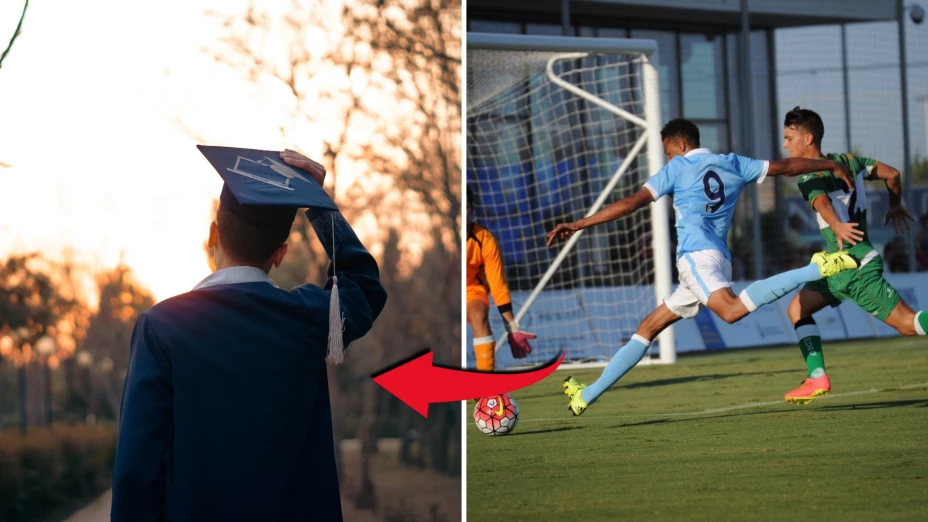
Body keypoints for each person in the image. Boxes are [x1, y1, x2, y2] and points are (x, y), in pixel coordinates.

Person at [111, 147, 387, 521]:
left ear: (213, 234)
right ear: (280, 254)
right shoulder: (307, 317)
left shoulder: (161, 327)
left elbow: (136, 472)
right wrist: (320, 206)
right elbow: (363, 285)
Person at [547, 118, 859, 416]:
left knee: (731, 312)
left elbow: (631, 202)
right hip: (718, 258)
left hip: (695, 258)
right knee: (649, 327)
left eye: (668, 152)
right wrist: (829, 164)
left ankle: (815, 268)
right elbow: (787, 167)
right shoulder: (733, 162)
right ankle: (586, 395)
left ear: (682, 145)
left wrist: (579, 224)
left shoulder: (678, 167)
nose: (668, 158)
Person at [780, 107, 928, 404]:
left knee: (908, 325)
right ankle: (817, 376)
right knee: (797, 308)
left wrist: (836, 225)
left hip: (854, 264)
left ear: (808, 138)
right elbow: (893, 174)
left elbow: (822, 203)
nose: (785, 145)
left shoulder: (809, 176)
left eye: (789, 138)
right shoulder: (850, 161)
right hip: (838, 265)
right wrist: (895, 204)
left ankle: (817, 376)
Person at [466, 185, 535, 371]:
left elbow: (498, 286)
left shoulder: (485, 240)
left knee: (479, 316)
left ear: (472, 209)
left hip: (470, 290)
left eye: (465, 207)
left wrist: (513, 329)